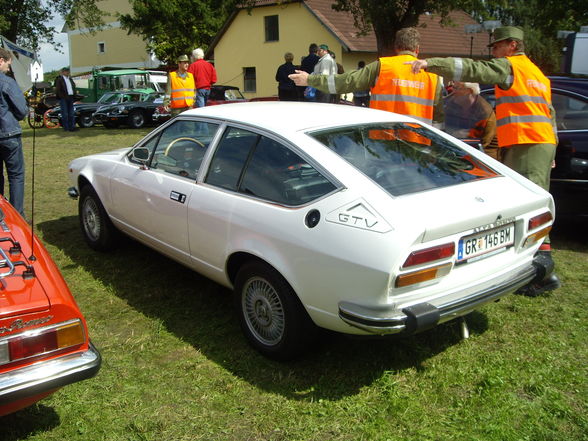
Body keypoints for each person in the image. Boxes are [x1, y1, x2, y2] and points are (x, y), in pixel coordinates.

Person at [407, 26, 560, 296]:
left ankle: (542, 272)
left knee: (531, 206)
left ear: (512, 45)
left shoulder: (510, 67)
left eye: (498, 47)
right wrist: (552, 149)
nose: (494, 53)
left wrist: (432, 63)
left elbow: (474, 70)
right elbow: (549, 112)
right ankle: (533, 267)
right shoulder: (536, 73)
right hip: (536, 142)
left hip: (527, 141)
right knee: (529, 200)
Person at [289, 28, 444, 125]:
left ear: (396, 47)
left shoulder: (382, 66)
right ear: (417, 49)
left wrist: (310, 79)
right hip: (419, 146)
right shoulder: (432, 76)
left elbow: (346, 81)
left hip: (384, 141)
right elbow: (439, 117)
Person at [0, 47, 28, 217]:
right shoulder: (6, 82)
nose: (8, 69)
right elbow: (22, 110)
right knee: (16, 175)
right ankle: (17, 215)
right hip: (8, 134)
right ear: (1, 61)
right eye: (8, 65)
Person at [443, 81, 498, 159]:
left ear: (470, 91)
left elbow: (485, 142)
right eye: (453, 87)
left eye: (457, 88)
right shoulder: (451, 102)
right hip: (456, 148)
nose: (453, 91)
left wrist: (466, 135)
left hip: (484, 155)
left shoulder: (485, 113)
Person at [54, 66, 77, 132]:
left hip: (70, 97)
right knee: (65, 114)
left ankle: (72, 127)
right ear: (63, 72)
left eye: (68, 71)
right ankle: (66, 128)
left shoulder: (70, 79)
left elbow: (73, 87)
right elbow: (58, 90)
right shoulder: (60, 79)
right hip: (64, 98)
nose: (67, 72)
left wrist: (74, 94)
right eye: (66, 71)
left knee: (71, 113)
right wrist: (62, 97)